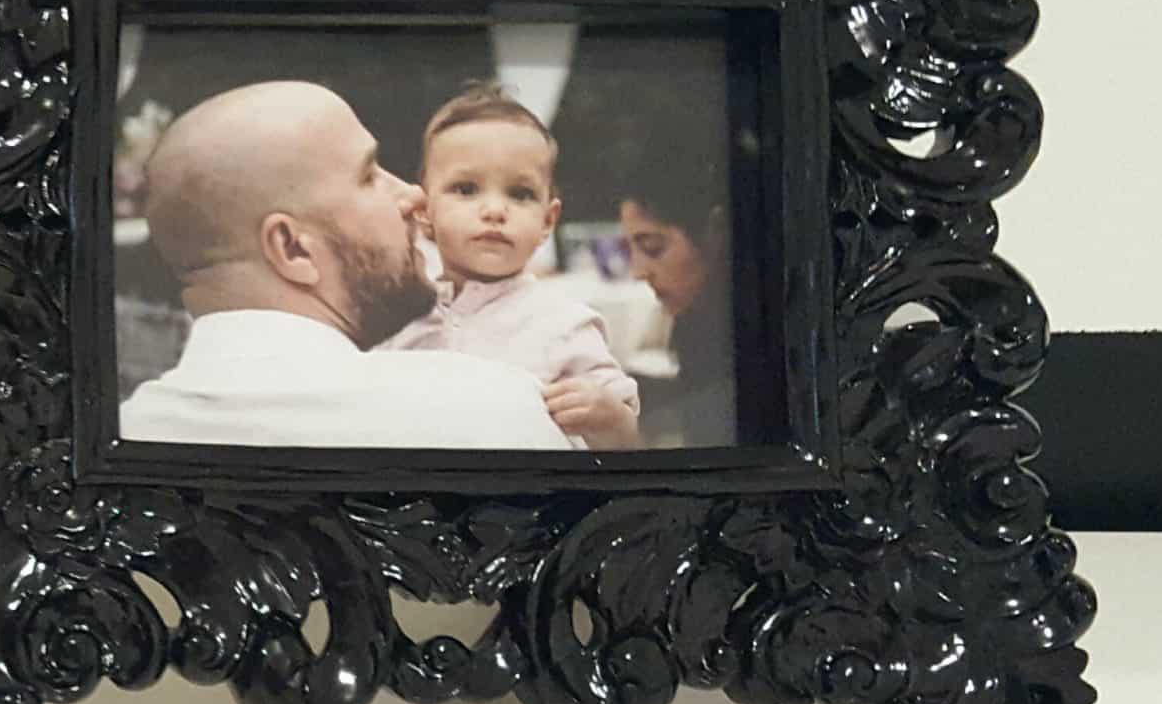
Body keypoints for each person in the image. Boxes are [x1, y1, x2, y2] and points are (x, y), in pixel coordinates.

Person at [117, 81, 569, 449]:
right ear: (292, 248)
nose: (414, 195)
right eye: (370, 176)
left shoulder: (133, 432)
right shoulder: (492, 415)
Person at [380, 85, 640, 448]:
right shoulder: (400, 313)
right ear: (425, 210)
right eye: (466, 189)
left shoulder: (564, 324)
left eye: (520, 194)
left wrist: (609, 418)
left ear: (547, 221)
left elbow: (626, 443)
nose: (494, 210)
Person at [618, 169, 737, 448]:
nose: (637, 272)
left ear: (716, 230)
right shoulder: (692, 318)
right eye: (629, 249)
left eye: (652, 246)